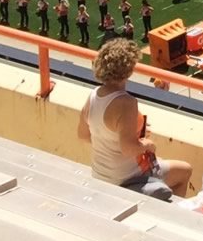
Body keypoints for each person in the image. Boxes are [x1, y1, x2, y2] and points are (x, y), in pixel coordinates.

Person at [78, 36, 194, 199]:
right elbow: (128, 149)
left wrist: (117, 141)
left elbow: (83, 135)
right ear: (129, 69)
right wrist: (147, 145)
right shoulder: (127, 103)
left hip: (100, 175)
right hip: (126, 179)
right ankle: (173, 216)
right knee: (185, 170)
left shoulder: (93, 95)